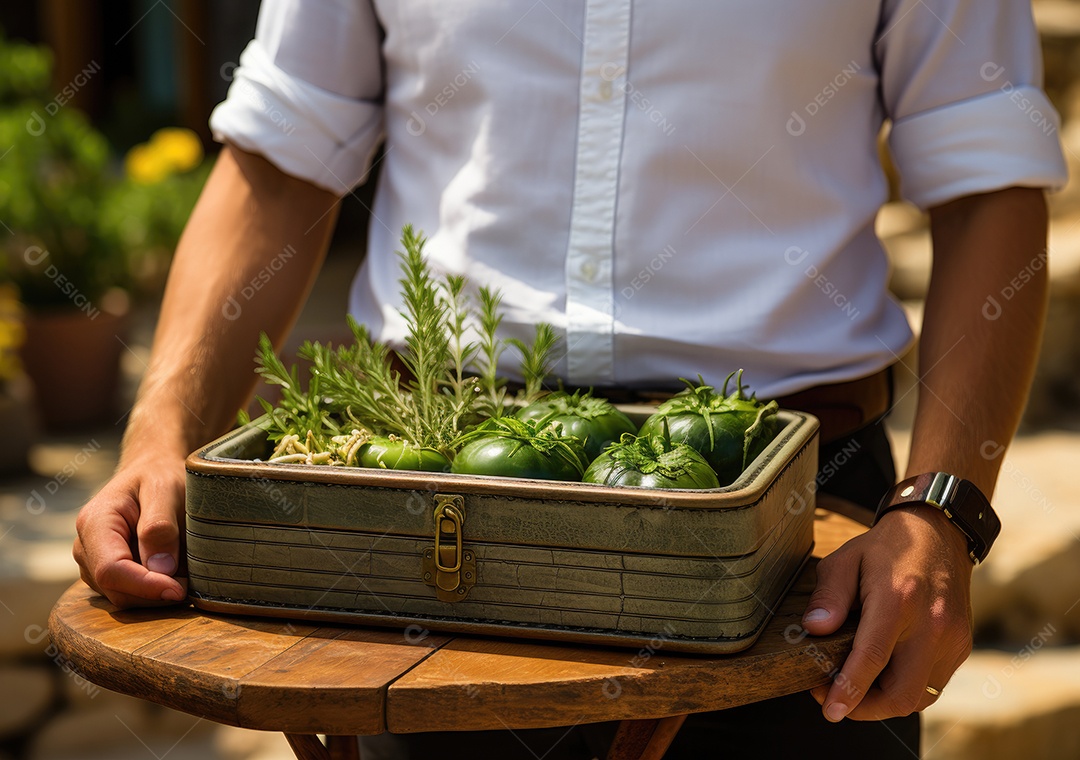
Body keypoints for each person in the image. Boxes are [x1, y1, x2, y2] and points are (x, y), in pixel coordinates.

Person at [74, 0, 1067, 757]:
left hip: (801, 540)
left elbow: (988, 175)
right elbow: (283, 157)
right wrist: (159, 433)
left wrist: (942, 511)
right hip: (430, 515)